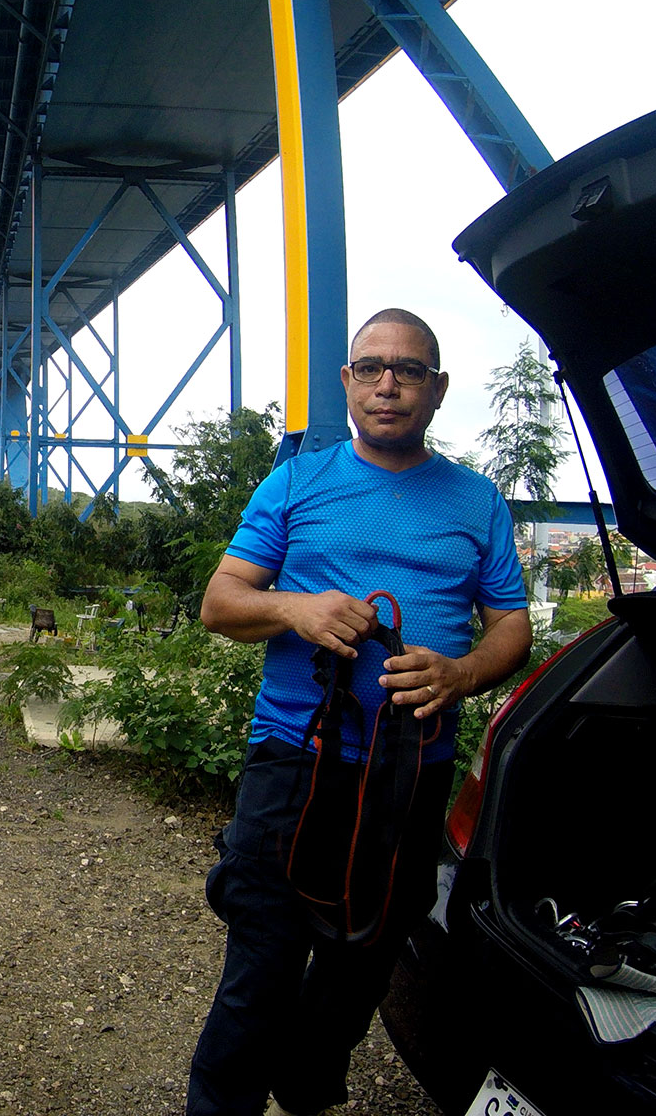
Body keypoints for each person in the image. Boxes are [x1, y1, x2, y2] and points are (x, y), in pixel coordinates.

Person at [185, 308, 531, 1116]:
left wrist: (463, 671)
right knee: (261, 965)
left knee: (367, 958)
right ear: (346, 381)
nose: (387, 385)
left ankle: (306, 1084)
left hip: (410, 772)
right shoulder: (299, 480)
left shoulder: (477, 502)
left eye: (408, 371)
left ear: (437, 389)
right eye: (371, 367)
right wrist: (297, 610)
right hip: (293, 763)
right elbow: (220, 602)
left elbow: (511, 624)